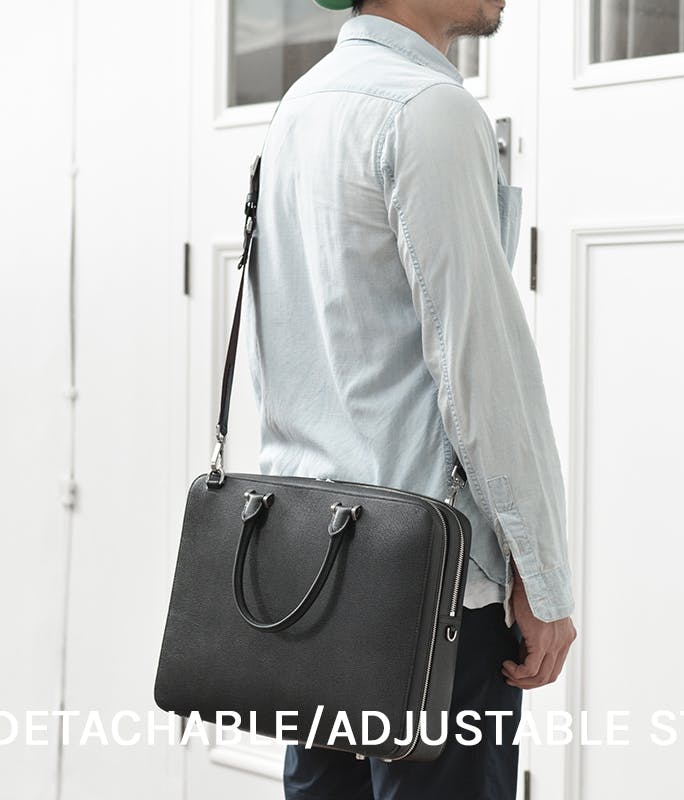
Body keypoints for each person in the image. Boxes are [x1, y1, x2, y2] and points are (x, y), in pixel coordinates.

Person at [242, 1, 578, 797]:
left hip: (308, 569)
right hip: (431, 586)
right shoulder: (428, 110)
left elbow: (281, 345)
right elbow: (483, 367)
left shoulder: (299, 109)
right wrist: (542, 577)